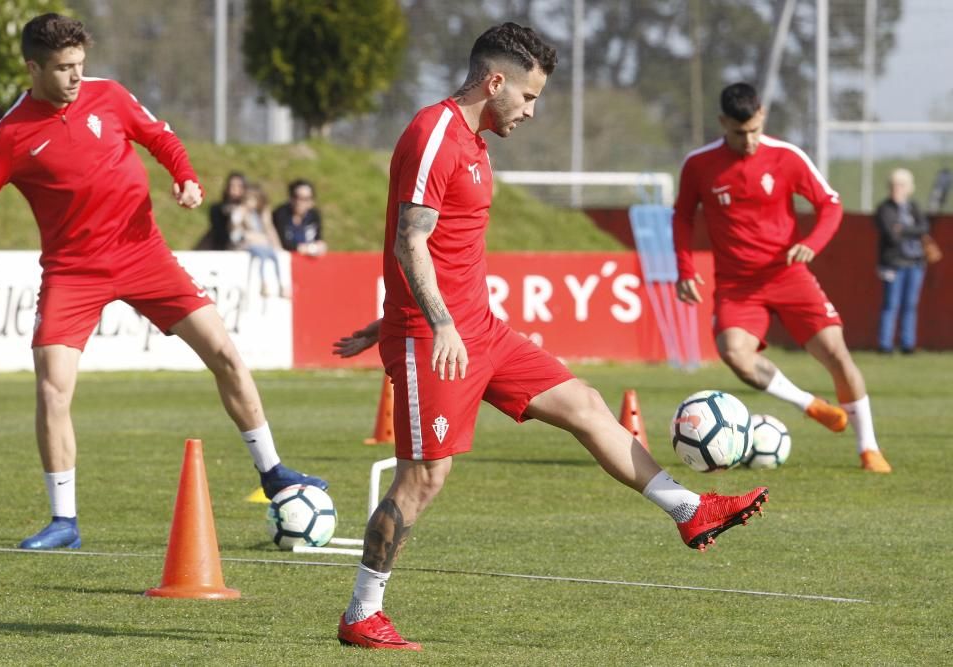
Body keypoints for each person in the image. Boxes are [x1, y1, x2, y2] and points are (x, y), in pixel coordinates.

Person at [331, 23, 769, 652]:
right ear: (495, 81)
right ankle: (361, 612)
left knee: (587, 404)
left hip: (478, 329)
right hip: (437, 339)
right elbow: (410, 237)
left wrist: (407, 318)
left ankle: (688, 509)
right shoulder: (434, 133)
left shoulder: (477, 145)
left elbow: (440, 250)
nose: (533, 111)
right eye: (530, 97)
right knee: (424, 478)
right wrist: (427, 324)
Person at [0, 13, 327, 550]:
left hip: (143, 255)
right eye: (63, 68)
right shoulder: (9, 136)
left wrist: (188, 177)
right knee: (52, 389)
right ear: (33, 68)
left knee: (224, 352)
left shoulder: (110, 95)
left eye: (80, 64)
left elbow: (161, 137)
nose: (76, 77)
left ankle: (272, 472)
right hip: (72, 271)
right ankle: (65, 521)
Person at [672, 82, 891, 474]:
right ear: (723, 123)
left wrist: (813, 242)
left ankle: (869, 449)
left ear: (763, 117)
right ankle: (808, 404)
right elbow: (683, 217)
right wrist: (685, 270)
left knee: (838, 356)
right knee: (735, 355)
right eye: (740, 133)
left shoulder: (787, 157)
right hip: (738, 286)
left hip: (789, 274)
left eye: (755, 129)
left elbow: (830, 204)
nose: (750, 140)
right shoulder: (699, 164)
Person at [874, 168, 930, 354]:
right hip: (893, 263)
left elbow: (923, 227)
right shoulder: (885, 209)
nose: (897, 189)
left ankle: (908, 344)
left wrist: (903, 229)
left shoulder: (913, 207)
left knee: (910, 305)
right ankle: (885, 345)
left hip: (915, 262)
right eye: (894, 185)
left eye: (901, 185)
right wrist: (908, 230)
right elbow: (891, 235)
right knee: (891, 304)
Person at [230, 183, 290, 298]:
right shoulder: (242, 213)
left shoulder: (258, 215)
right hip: (249, 244)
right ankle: (263, 283)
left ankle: (281, 285)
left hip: (261, 243)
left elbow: (268, 229)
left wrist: (276, 246)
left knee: (274, 257)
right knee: (261, 257)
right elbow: (236, 229)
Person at [272, 179, 327, 256]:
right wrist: (300, 248)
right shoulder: (280, 214)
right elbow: (280, 242)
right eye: (297, 197)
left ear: (312, 201)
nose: (299, 202)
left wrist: (319, 246)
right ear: (291, 198)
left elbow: (318, 239)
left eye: (306, 199)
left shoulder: (314, 216)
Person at [205, 171, 246, 251]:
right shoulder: (217, 209)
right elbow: (219, 233)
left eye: (239, 186)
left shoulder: (249, 209)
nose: (235, 189)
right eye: (232, 186)